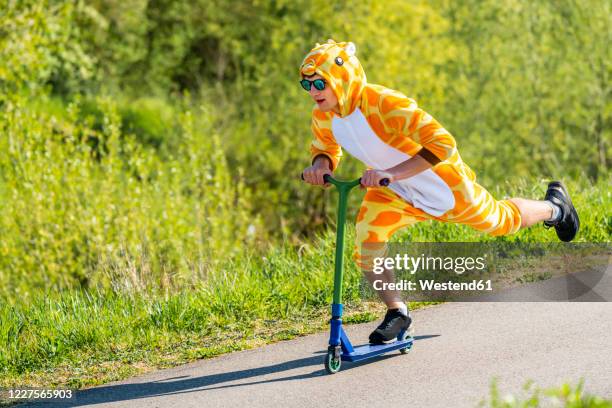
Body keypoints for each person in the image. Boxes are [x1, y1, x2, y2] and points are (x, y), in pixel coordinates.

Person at [300, 39, 579, 345]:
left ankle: (555, 207)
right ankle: (398, 313)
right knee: (367, 238)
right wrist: (320, 165)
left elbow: (442, 143)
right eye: (306, 83)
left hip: (441, 183)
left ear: (341, 78)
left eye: (319, 82)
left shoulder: (383, 103)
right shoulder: (324, 115)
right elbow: (326, 147)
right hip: (392, 191)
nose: (312, 91)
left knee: (500, 221)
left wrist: (392, 173)